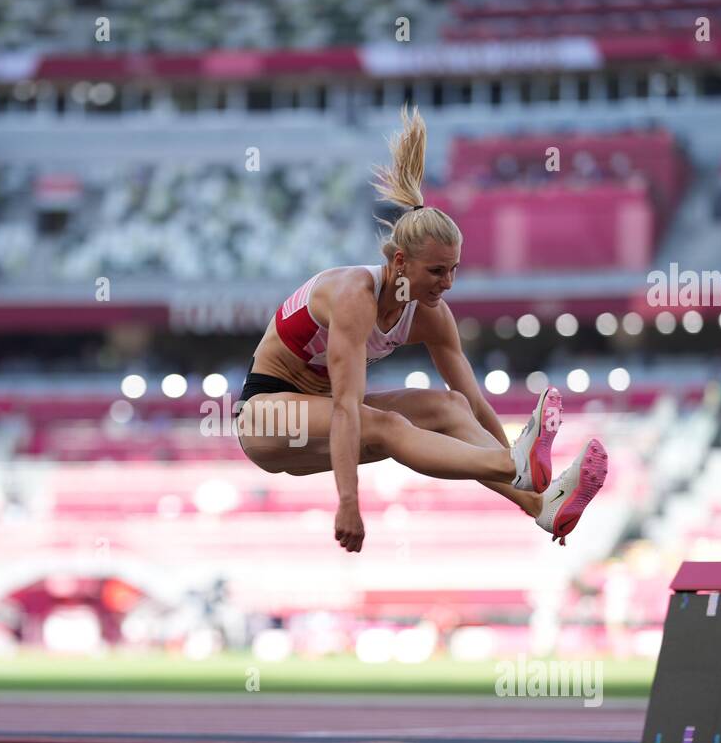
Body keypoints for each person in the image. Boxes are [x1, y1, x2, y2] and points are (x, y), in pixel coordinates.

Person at [236, 105, 607, 552]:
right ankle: (516, 468)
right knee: (388, 424)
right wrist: (348, 503)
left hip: (323, 422)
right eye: (436, 271)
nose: (446, 283)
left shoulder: (431, 313)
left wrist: (519, 447)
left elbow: (471, 402)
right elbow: (346, 410)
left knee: (449, 407)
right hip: (268, 420)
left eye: (453, 270)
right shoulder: (354, 297)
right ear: (399, 262)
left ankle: (540, 505)